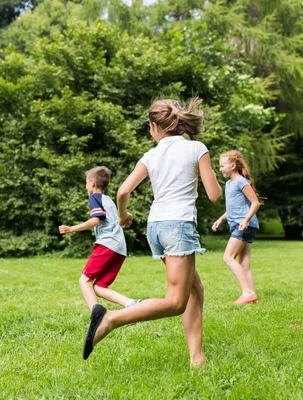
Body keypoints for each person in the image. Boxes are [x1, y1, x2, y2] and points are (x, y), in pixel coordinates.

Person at [82, 98, 222, 367]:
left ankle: (197, 358)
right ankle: (111, 318)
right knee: (176, 302)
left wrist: (122, 215)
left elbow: (123, 191)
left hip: (155, 228)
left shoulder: (151, 155)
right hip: (178, 226)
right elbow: (215, 195)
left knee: (196, 290)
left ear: (156, 126)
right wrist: (211, 173)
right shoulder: (196, 148)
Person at [59, 166, 140, 312]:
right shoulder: (108, 200)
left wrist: (71, 229)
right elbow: (119, 221)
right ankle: (131, 304)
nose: (86, 185)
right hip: (120, 249)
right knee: (99, 287)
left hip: (107, 245)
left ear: (92, 183)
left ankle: (97, 316)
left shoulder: (94, 197)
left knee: (84, 281)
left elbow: (96, 220)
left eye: (85, 182)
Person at [211, 150, 262, 305]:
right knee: (244, 263)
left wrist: (246, 220)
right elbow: (233, 207)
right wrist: (220, 219)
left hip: (243, 225)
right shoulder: (228, 184)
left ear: (233, 166)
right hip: (241, 224)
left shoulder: (241, 181)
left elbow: (255, 203)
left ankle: (246, 293)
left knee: (227, 257)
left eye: (222, 166)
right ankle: (253, 297)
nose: (220, 169)